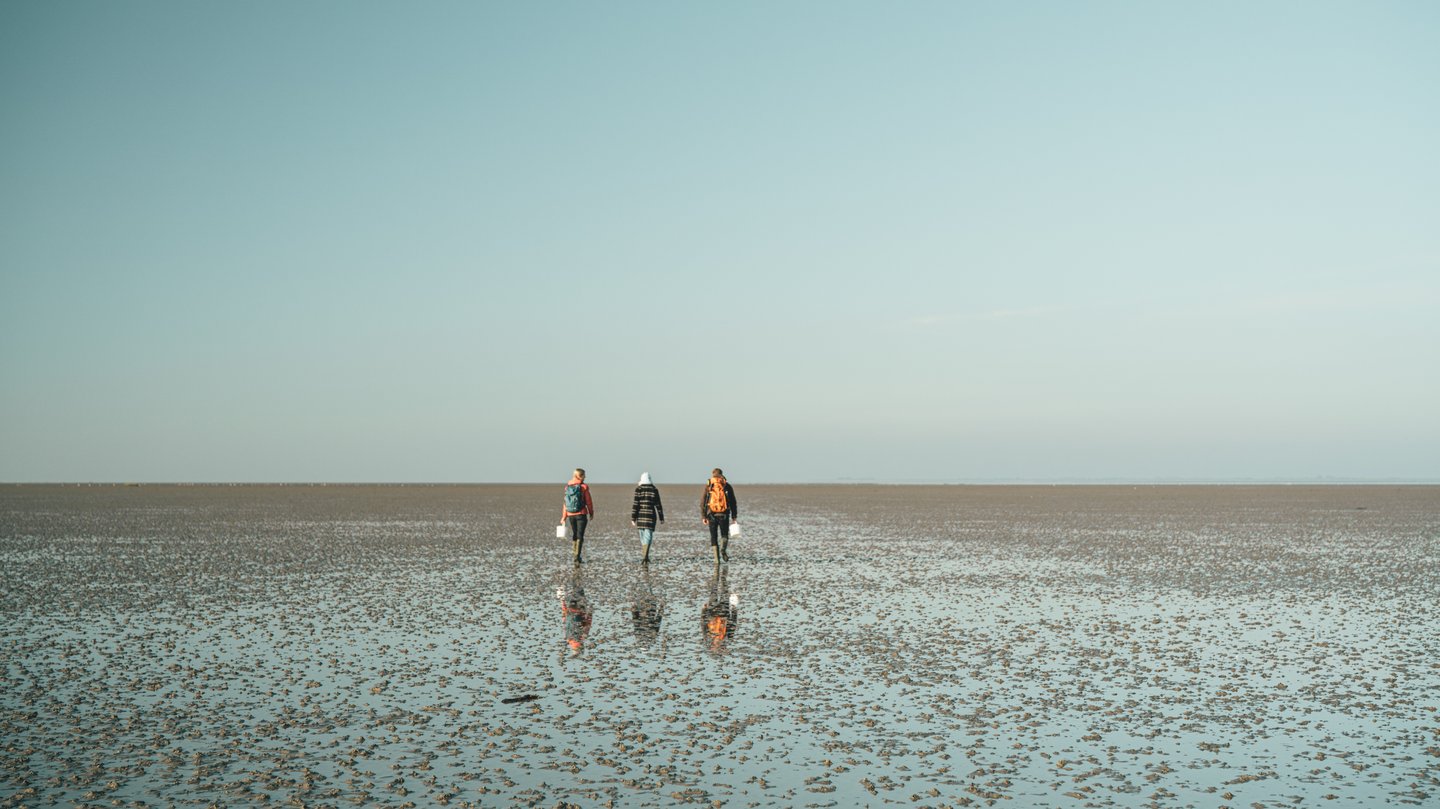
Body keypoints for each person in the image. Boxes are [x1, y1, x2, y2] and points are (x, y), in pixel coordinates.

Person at [700, 468, 738, 564]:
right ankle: (723, 550)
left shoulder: (709, 486)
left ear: (713, 475)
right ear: (721, 475)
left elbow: (703, 502)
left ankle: (717, 560)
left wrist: (704, 516)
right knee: (724, 534)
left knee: (713, 536)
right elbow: (733, 502)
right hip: (724, 514)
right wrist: (734, 516)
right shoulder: (727, 486)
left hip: (711, 514)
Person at [560, 468, 594, 564]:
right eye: (584, 475)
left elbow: (565, 503)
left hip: (571, 514)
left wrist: (564, 516)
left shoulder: (567, 487)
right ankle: (577, 557)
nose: (585, 477)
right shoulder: (584, 487)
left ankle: (575, 555)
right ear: (580, 476)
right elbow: (589, 502)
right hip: (581, 514)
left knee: (575, 533)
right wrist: (591, 513)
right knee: (580, 535)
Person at [630, 472, 665, 564]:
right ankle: (645, 556)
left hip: (640, 517)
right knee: (648, 536)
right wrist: (661, 517)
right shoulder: (654, 489)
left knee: (643, 536)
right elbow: (658, 505)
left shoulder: (638, 489)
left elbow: (635, 505)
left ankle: (645, 556)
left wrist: (633, 518)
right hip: (650, 516)